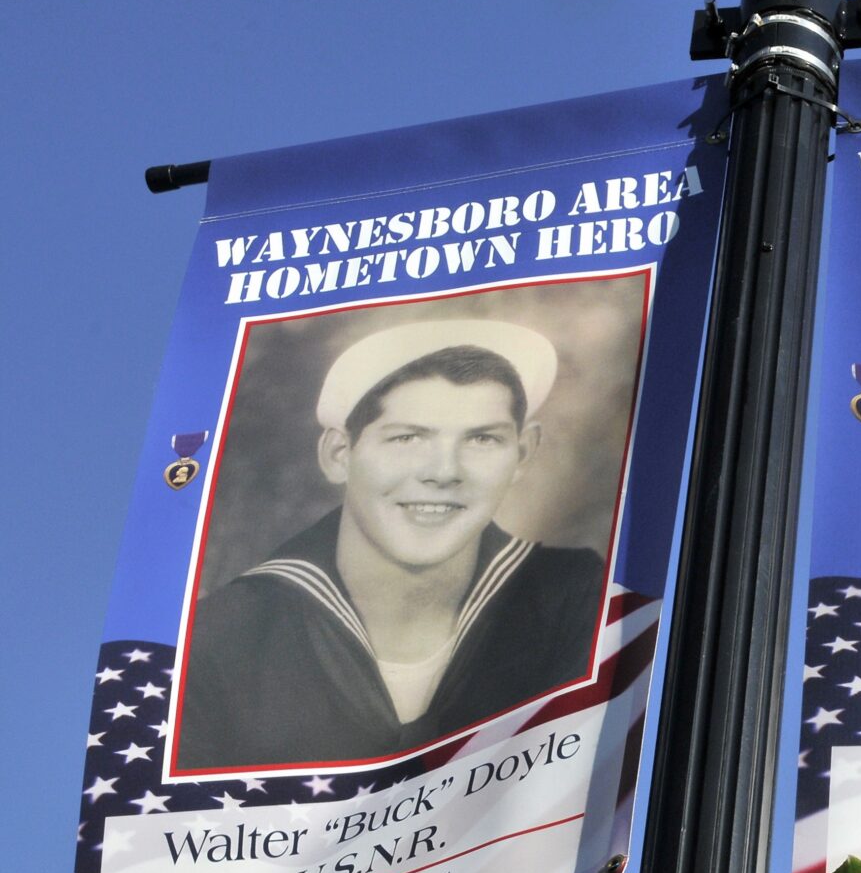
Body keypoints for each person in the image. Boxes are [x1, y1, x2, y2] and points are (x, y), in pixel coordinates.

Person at [175, 319, 606, 771]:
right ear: (339, 455)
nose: (443, 472)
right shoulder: (218, 643)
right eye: (407, 438)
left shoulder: (581, 603)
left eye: (482, 439)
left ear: (522, 454)